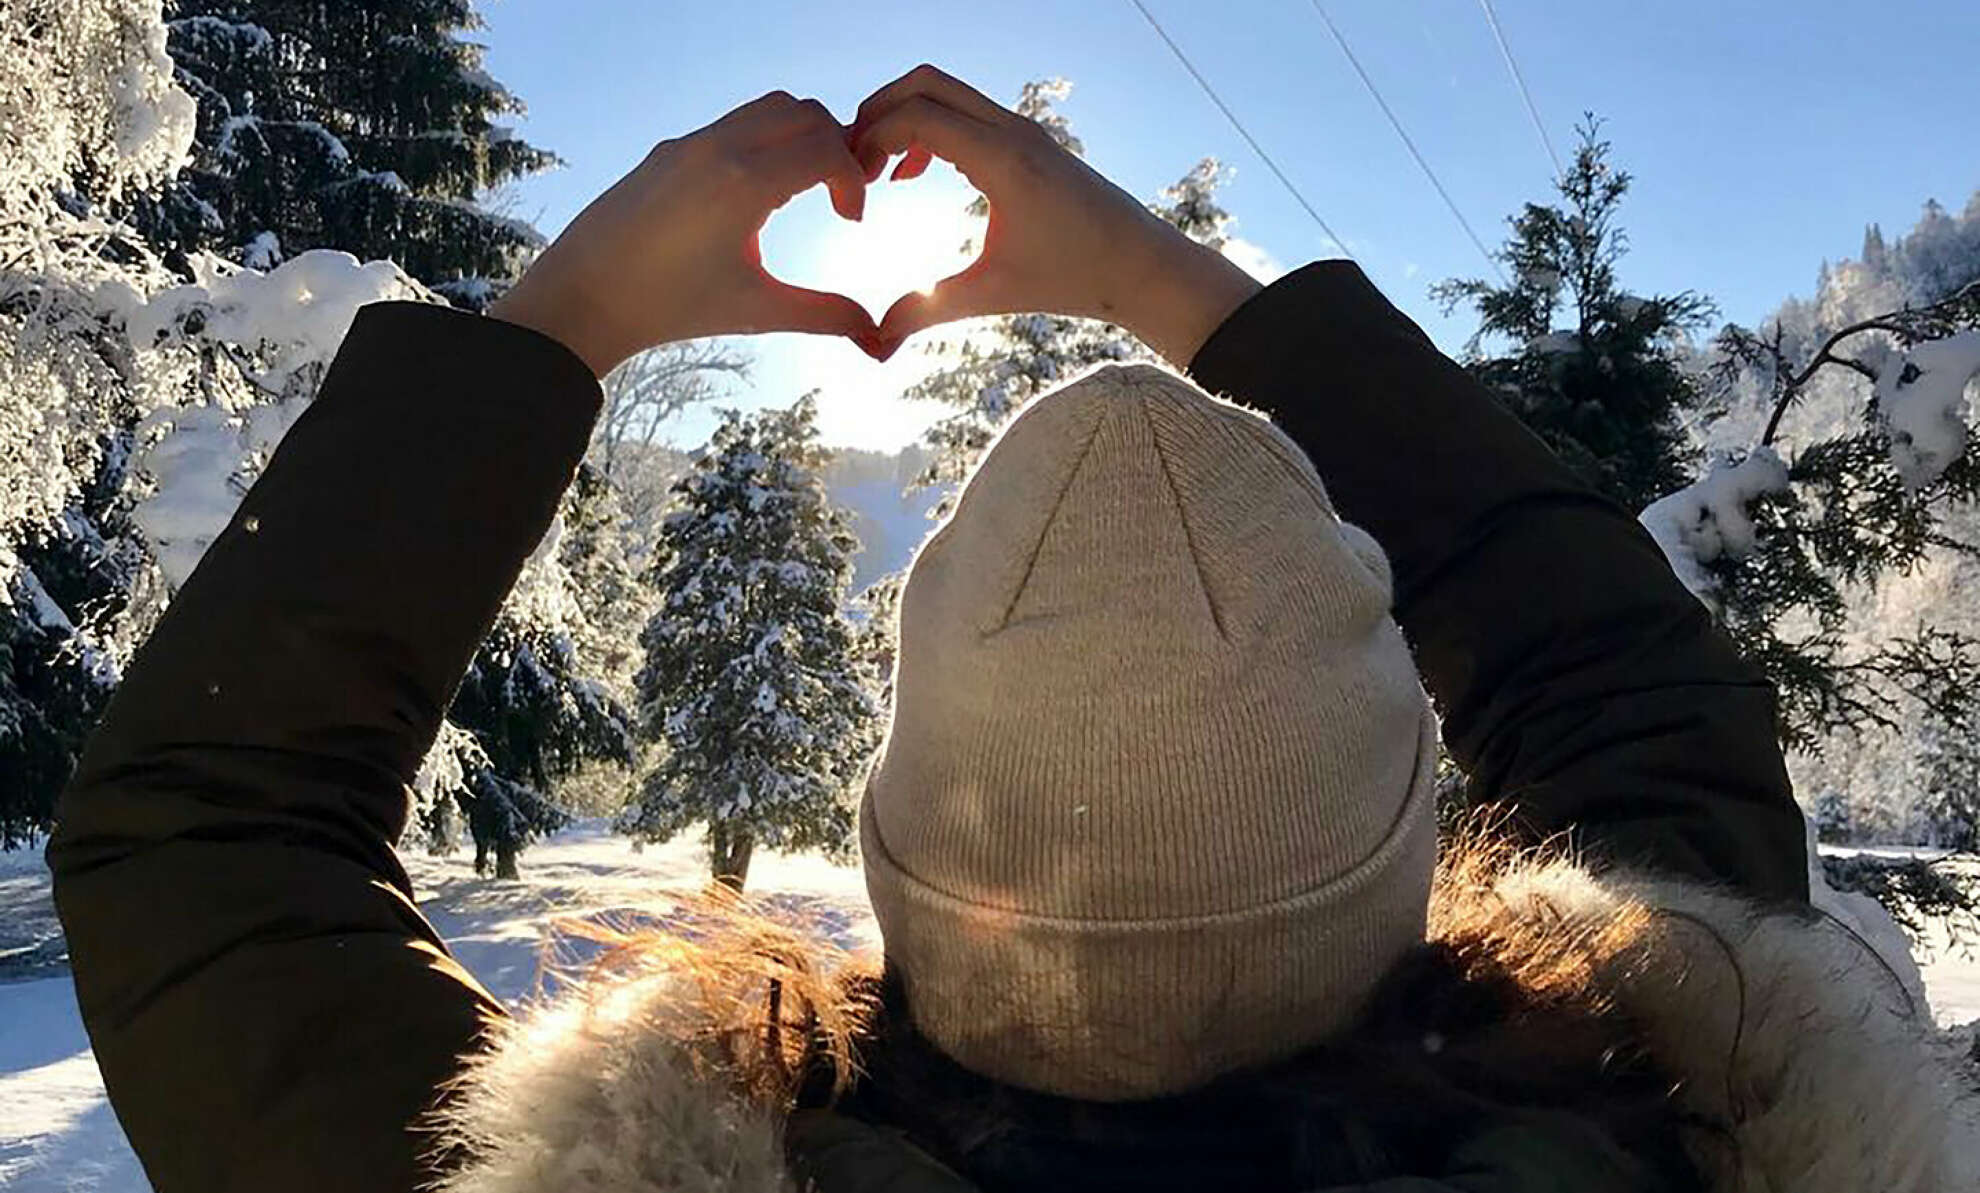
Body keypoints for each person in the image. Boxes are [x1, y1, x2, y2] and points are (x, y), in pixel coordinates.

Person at [47, 66, 1969, 1193]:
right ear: (1420, 835)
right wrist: (1157, 274)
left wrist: (563, 322)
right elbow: (1620, 692)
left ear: (903, 856)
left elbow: (197, 848)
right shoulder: (1709, 1107)